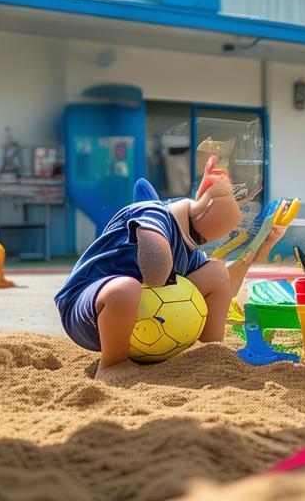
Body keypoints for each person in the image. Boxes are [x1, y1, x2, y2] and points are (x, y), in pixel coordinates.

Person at [54, 155, 288, 383]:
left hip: (138, 319)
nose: (204, 243)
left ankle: (211, 353)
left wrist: (261, 247)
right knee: (126, 290)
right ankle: (112, 363)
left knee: (216, 272)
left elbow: (226, 286)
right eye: (205, 237)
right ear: (198, 212)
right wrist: (161, 229)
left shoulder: (189, 245)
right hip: (87, 310)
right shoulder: (154, 214)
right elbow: (155, 275)